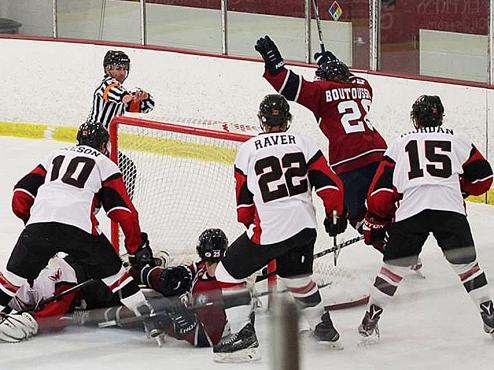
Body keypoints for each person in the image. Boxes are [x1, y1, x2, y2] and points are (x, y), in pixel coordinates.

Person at [212, 94, 347, 362]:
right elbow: (331, 184)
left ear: (262, 121)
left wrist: (251, 226)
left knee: (227, 273)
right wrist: (335, 214)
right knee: (296, 277)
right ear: (287, 120)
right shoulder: (303, 143)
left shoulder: (248, 149)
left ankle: (243, 339)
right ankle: (323, 328)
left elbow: (243, 205)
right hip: (305, 227)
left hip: (271, 230)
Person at [0, 120, 161, 342]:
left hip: (39, 227)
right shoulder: (105, 163)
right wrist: (135, 250)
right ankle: (149, 319)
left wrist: (33, 221)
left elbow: (20, 194)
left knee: (10, 282)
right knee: (118, 278)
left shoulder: (54, 155)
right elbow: (124, 212)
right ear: (104, 145)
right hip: (80, 230)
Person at [358, 95, 494, 340]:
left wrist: (378, 217)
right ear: (441, 116)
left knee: (392, 270)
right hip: (450, 212)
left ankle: (372, 317)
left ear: (416, 119)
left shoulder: (400, 143)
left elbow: (380, 193)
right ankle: (489, 313)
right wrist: (458, 187)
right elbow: (484, 178)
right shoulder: (458, 139)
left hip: (412, 213)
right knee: (468, 268)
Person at [254, 35, 387, 235]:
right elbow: (348, 81)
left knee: (355, 214)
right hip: (380, 154)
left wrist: (275, 63)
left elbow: (288, 85)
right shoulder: (364, 88)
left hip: (349, 162)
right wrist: (331, 63)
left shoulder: (321, 93)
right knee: (385, 205)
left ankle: (384, 246)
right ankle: (397, 238)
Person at [88, 50, 155, 198]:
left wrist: (145, 97)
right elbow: (117, 94)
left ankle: (116, 208)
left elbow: (147, 107)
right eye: (118, 68)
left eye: (125, 69)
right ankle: (121, 209)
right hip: (93, 142)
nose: (123, 72)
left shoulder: (121, 89)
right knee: (125, 170)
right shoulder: (107, 85)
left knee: (124, 170)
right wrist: (129, 97)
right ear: (107, 69)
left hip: (103, 144)